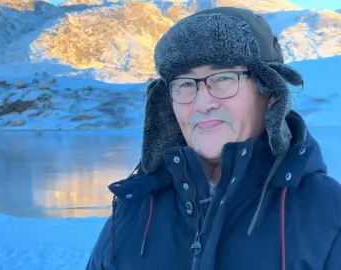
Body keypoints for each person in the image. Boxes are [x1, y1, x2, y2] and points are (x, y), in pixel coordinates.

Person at [85, 6, 341, 270]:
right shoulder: (133, 210)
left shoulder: (328, 215)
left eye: (223, 78)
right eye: (184, 84)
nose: (202, 102)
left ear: (270, 93)